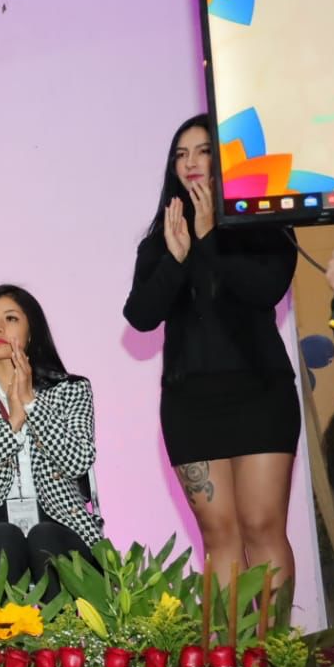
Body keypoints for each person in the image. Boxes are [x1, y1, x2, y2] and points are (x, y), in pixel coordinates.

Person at [123, 114, 299, 586]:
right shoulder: (162, 240)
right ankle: (228, 638)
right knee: (220, 535)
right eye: (181, 155)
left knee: (262, 525)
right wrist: (177, 257)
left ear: (226, 161)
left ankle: (274, 636)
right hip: (191, 404)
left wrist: (210, 239)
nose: (190, 162)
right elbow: (141, 315)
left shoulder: (265, 226)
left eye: (202, 151)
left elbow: (265, 290)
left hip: (261, 393)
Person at [0, 285, 103, 592]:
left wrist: (31, 405)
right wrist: (12, 426)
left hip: (61, 524)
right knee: (5, 537)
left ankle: (60, 626)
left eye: (10, 318)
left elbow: (78, 461)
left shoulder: (71, 389)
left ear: (31, 332)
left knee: (45, 537)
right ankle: (4, 626)